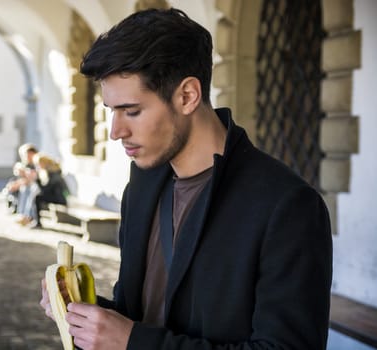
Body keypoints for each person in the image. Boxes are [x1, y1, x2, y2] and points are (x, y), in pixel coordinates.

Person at [40, 8, 332, 350]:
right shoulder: (140, 189)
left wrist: (133, 342)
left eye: (132, 111)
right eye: (112, 111)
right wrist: (86, 315)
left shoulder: (288, 206)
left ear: (188, 96)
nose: (117, 131)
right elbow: (146, 317)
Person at [4, 143, 40, 225]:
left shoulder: (37, 163)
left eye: (30, 154)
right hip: (30, 185)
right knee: (22, 188)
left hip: (39, 187)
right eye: (26, 155)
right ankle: (23, 215)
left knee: (28, 189)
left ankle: (27, 216)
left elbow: (34, 178)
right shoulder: (26, 164)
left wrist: (20, 182)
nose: (28, 157)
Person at [32, 153, 68, 228]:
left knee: (37, 198)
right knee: (36, 196)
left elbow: (46, 189)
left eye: (38, 164)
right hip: (57, 196)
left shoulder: (53, 173)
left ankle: (37, 222)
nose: (38, 166)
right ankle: (34, 219)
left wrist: (37, 179)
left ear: (43, 163)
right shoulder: (50, 171)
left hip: (60, 198)